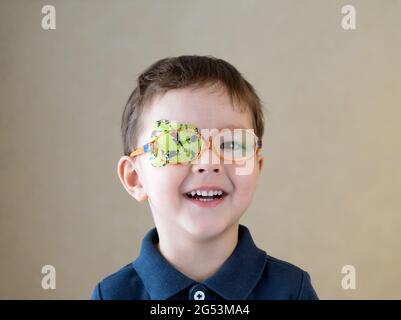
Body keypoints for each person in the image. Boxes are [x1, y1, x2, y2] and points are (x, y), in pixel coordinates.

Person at [90, 55, 318, 300]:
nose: (209, 163)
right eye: (176, 144)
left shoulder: (292, 291)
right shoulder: (112, 295)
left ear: (256, 167)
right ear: (135, 178)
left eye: (232, 144)